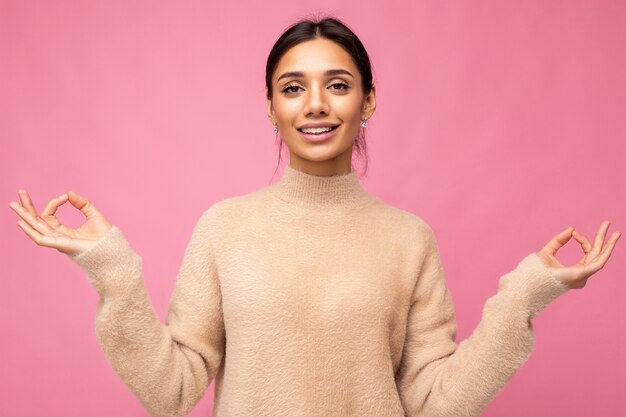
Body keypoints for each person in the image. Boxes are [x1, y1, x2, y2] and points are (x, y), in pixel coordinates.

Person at [8, 16, 620, 417]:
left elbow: (435, 402)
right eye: (293, 88)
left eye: (338, 84)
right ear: (270, 107)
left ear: (368, 100)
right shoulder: (225, 227)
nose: (317, 105)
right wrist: (110, 268)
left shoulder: (408, 238)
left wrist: (527, 296)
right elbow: (173, 390)